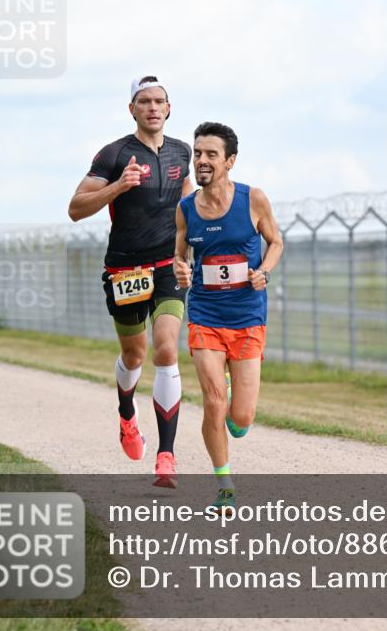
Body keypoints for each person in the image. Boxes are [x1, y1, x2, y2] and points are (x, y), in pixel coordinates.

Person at [68, 76, 192, 488]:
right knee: (135, 356)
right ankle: (126, 412)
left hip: (167, 267)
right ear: (132, 109)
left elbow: (191, 205)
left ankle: (167, 456)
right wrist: (119, 186)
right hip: (126, 270)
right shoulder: (114, 154)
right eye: (144, 101)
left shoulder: (181, 152)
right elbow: (75, 208)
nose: (153, 107)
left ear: (169, 108)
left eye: (159, 101)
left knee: (166, 350)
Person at [173, 121, 282, 512]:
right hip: (204, 315)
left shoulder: (253, 200)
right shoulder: (186, 209)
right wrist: (180, 270)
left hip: (248, 316)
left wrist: (264, 271)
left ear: (229, 161)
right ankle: (224, 485)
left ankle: (239, 407)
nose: (201, 161)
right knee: (213, 403)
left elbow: (276, 241)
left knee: (241, 417)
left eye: (210, 155)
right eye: (197, 153)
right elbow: (180, 258)